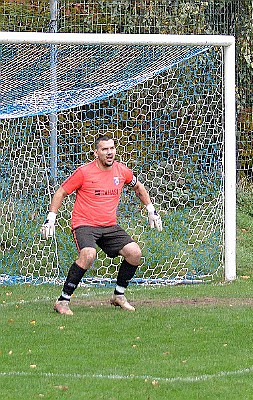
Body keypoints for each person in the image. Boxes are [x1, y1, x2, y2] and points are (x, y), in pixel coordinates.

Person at [41, 134, 163, 315]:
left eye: (112, 148)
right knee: (88, 254)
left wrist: (151, 209)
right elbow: (61, 192)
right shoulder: (84, 172)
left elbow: (139, 187)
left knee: (134, 253)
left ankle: (118, 295)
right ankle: (63, 301)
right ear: (96, 152)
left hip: (109, 226)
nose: (109, 152)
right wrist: (51, 217)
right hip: (85, 225)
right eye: (105, 149)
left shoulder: (122, 171)